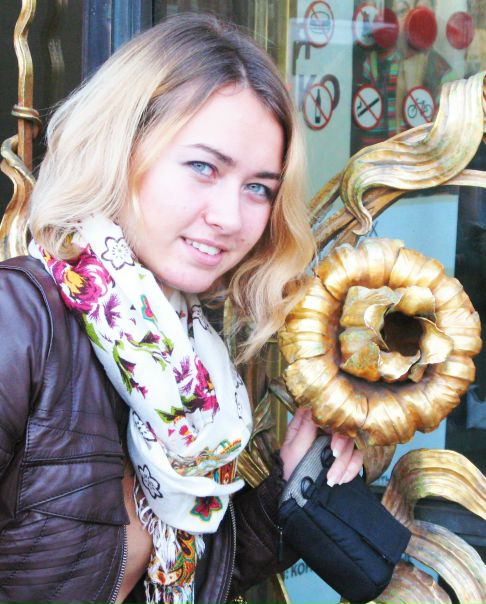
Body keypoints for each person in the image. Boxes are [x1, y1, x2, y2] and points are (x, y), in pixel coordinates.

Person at [0, 13, 363, 604]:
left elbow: (184, 573)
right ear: (121, 148)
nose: (230, 217)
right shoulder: (19, 320)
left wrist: (288, 482)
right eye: (203, 167)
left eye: (258, 188)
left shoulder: (189, 352)